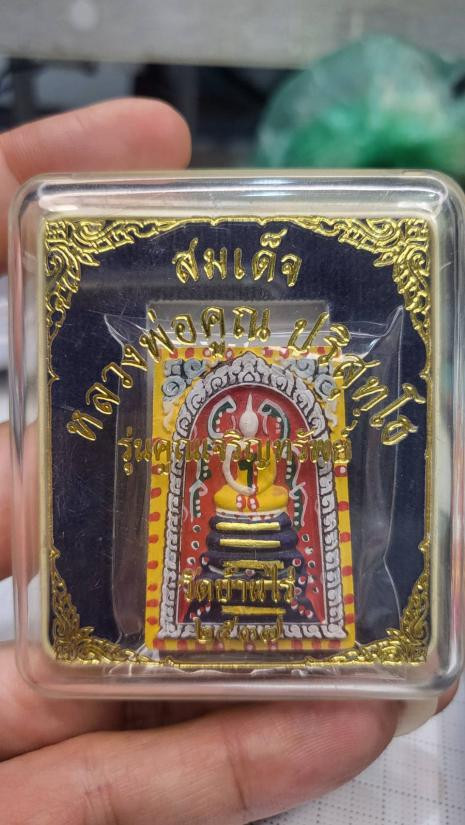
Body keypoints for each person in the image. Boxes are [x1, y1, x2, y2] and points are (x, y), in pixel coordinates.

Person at [0, 98, 454, 824]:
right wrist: (235, 484)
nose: (246, 434)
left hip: (269, 528)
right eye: (240, 429)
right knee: (228, 505)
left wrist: (259, 483)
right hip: (221, 530)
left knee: (261, 502)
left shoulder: (272, 444)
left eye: (254, 428)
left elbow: (274, 481)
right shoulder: (218, 434)